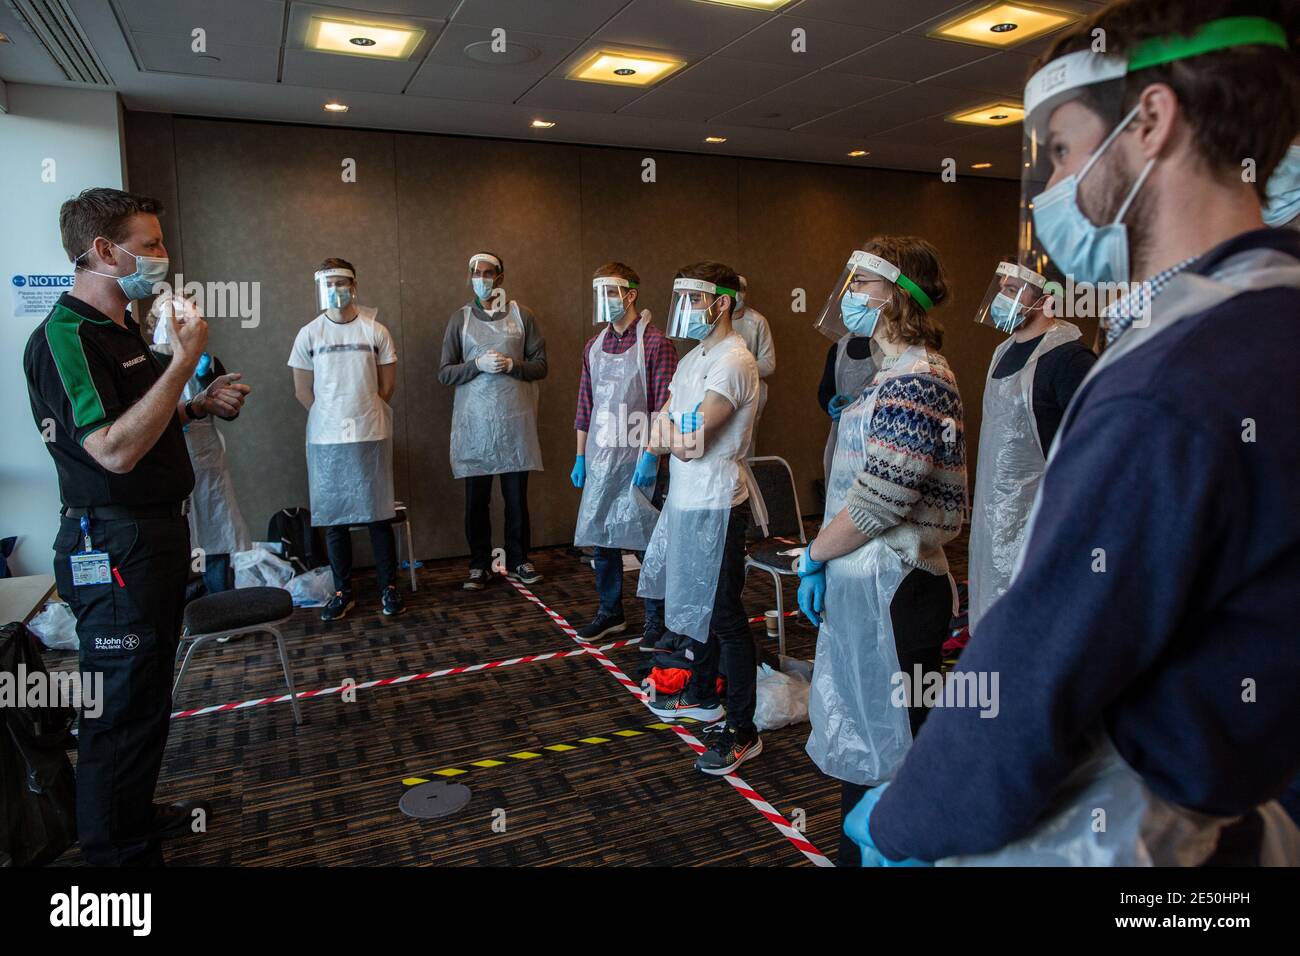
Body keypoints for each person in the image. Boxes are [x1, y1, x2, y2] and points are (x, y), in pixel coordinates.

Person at [849, 0, 1300, 866]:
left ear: (1152, 121)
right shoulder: (1262, 320)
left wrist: (912, 815)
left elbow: (1038, 677)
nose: (1052, 183)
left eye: (1061, 148)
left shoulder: (1175, 376)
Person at [23, 187, 250, 864]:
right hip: (111, 542)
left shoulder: (122, 331)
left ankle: (131, 817)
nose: (162, 256)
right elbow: (113, 450)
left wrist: (195, 404)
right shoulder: (63, 338)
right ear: (102, 250)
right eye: (148, 245)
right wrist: (182, 362)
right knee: (118, 710)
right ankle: (114, 859)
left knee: (146, 696)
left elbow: (141, 426)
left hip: (153, 535)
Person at [794, 238, 966, 866]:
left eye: (862, 282)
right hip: (871, 583)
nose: (849, 294)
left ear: (898, 295)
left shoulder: (920, 377)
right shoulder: (891, 375)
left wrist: (813, 553)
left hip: (899, 588)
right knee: (870, 740)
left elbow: (879, 499)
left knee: (894, 750)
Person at [641, 262, 767, 775]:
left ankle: (743, 728)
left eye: (694, 299)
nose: (686, 310)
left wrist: (672, 431)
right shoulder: (695, 358)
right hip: (686, 499)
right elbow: (658, 431)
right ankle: (701, 693)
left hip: (718, 501)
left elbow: (690, 443)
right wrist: (672, 432)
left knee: (725, 615)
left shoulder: (735, 361)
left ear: (720, 303)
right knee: (693, 605)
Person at [966, 260, 1094, 633]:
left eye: (1011, 291)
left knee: (1037, 623)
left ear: (1045, 300)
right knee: (992, 622)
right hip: (992, 515)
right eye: (1001, 289)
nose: (1001, 299)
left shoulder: (1068, 358)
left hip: (1040, 520)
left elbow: (1093, 445)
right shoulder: (1001, 352)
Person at [289, 258, 403, 621]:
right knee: (334, 519)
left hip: (370, 435)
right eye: (329, 284)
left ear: (354, 286)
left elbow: (386, 387)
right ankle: (343, 592)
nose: (336, 291)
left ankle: (389, 588)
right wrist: (332, 419)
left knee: (377, 515)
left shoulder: (376, 331)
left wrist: (360, 415)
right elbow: (302, 391)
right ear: (320, 289)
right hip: (325, 441)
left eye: (342, 283)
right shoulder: (309, 334)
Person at [571, 263, 677, 647]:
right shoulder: (593, 346)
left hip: (641, 456)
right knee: (604, 537)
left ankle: (655, 619)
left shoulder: (656, 344)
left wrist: (653, 457)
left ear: (630, 295)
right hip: (601, 457)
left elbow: (666, 405)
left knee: (649, 539)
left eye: (610, 292)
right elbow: (586, 404)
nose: (603, 301)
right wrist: (580, 457)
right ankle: (610, 611)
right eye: (598, 292)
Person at [438, 252, 548, 589]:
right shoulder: (460, 320)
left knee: (516, 497)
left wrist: (514, 365)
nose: (482, 279)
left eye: (488, 273)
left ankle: (518, 560)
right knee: (477, 499)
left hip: (514, 421)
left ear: (500, 278)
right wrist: (476, 365)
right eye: (476, 273)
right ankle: (479, 564)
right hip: (476, 424)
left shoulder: (522, 316)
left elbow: (541, 365)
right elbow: (444, 373)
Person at [149, 294, 251, 596]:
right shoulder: (148, 363)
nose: (185, 327)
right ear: (158, 325)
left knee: (215, 534)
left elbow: (230, 413)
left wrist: (211, 381)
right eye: (177, 320)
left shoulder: (206, 362)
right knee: (176, 541)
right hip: (165, 463)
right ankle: (182, 613)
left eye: (190, 320)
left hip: (206, 463)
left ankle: (223, 609)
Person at [817, 314, 881, 495]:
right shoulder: (838, 348)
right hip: (842, 432)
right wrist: (829, 402)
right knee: (839, 491)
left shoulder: (884, 348)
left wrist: (861, 404)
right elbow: (825, 389)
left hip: (874, 432)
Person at [732, 275, 776, 457]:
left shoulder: (758, 322)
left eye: (741, 289)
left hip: (751, 391)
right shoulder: (714, 321)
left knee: (746, 444)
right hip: (720, 390)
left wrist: (737, 369)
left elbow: (769, 364)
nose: (738, 294)